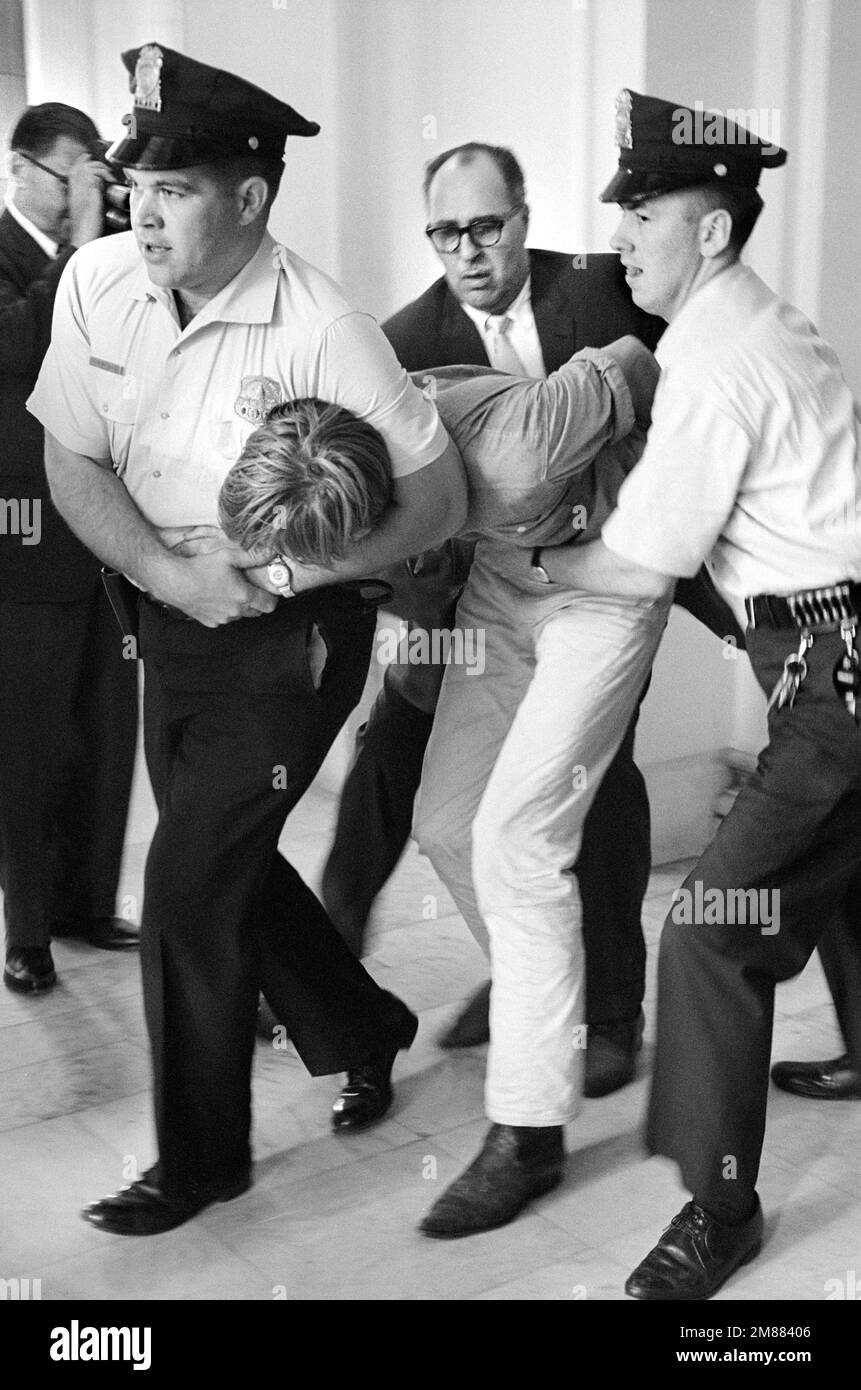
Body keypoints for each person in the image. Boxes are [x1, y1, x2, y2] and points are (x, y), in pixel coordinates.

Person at [28, 43, 466, 1238]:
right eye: (135, 187)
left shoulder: (327, 328)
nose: (142, 213)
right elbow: (69, 452)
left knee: (181, 880)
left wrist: (274, 571)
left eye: (173, 192)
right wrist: (170, 572)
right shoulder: (98, 280)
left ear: (252, 198)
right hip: (158, 606)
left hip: (288, 635)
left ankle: (201, 1162)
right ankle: (363, 1024)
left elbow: (438, 503)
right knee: (229, 864)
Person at [532, 90, 861, 1299]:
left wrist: (538, 555)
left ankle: (720, 1208)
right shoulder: (764, 318)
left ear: (711, 233)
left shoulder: (713, 357)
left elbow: (642, 557)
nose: (624, 237)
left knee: (715, 927)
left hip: (836, 674)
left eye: (647, 212)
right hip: (829, 650)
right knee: (837, 867)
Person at [321, 140, 668, 1094]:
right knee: (405, 768)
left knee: (590, 789)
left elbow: (672, 390)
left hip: (606, 576)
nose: (468, 249)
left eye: (487, 225)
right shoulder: (401, 342)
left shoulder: (605, 288)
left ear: (523, 215)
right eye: (445, 232)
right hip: (465, 595)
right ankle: (490, 974)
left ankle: (607, 1014)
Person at [0, 102, 139, 996]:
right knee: (28, 745)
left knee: (107, 736)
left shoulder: (111, 246)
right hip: (21, 537)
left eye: (92, 175)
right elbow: (20, 338)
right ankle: (28, 931)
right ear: (19, 168)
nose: (80, 193)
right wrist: (85, 244)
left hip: (112, 535)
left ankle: (90, 904)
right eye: (67, 177)